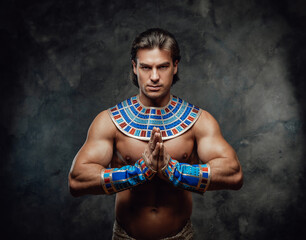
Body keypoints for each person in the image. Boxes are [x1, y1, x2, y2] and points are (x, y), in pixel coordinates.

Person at [68, 28, 243, 240]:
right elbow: (77, 180)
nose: (154, 77)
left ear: (175, 67)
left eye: (162, 66)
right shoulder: (110, 121)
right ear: (134, 67)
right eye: (145, 67)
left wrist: (174, 171)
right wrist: (138, 172)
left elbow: (233, 174)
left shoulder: (199, 121)